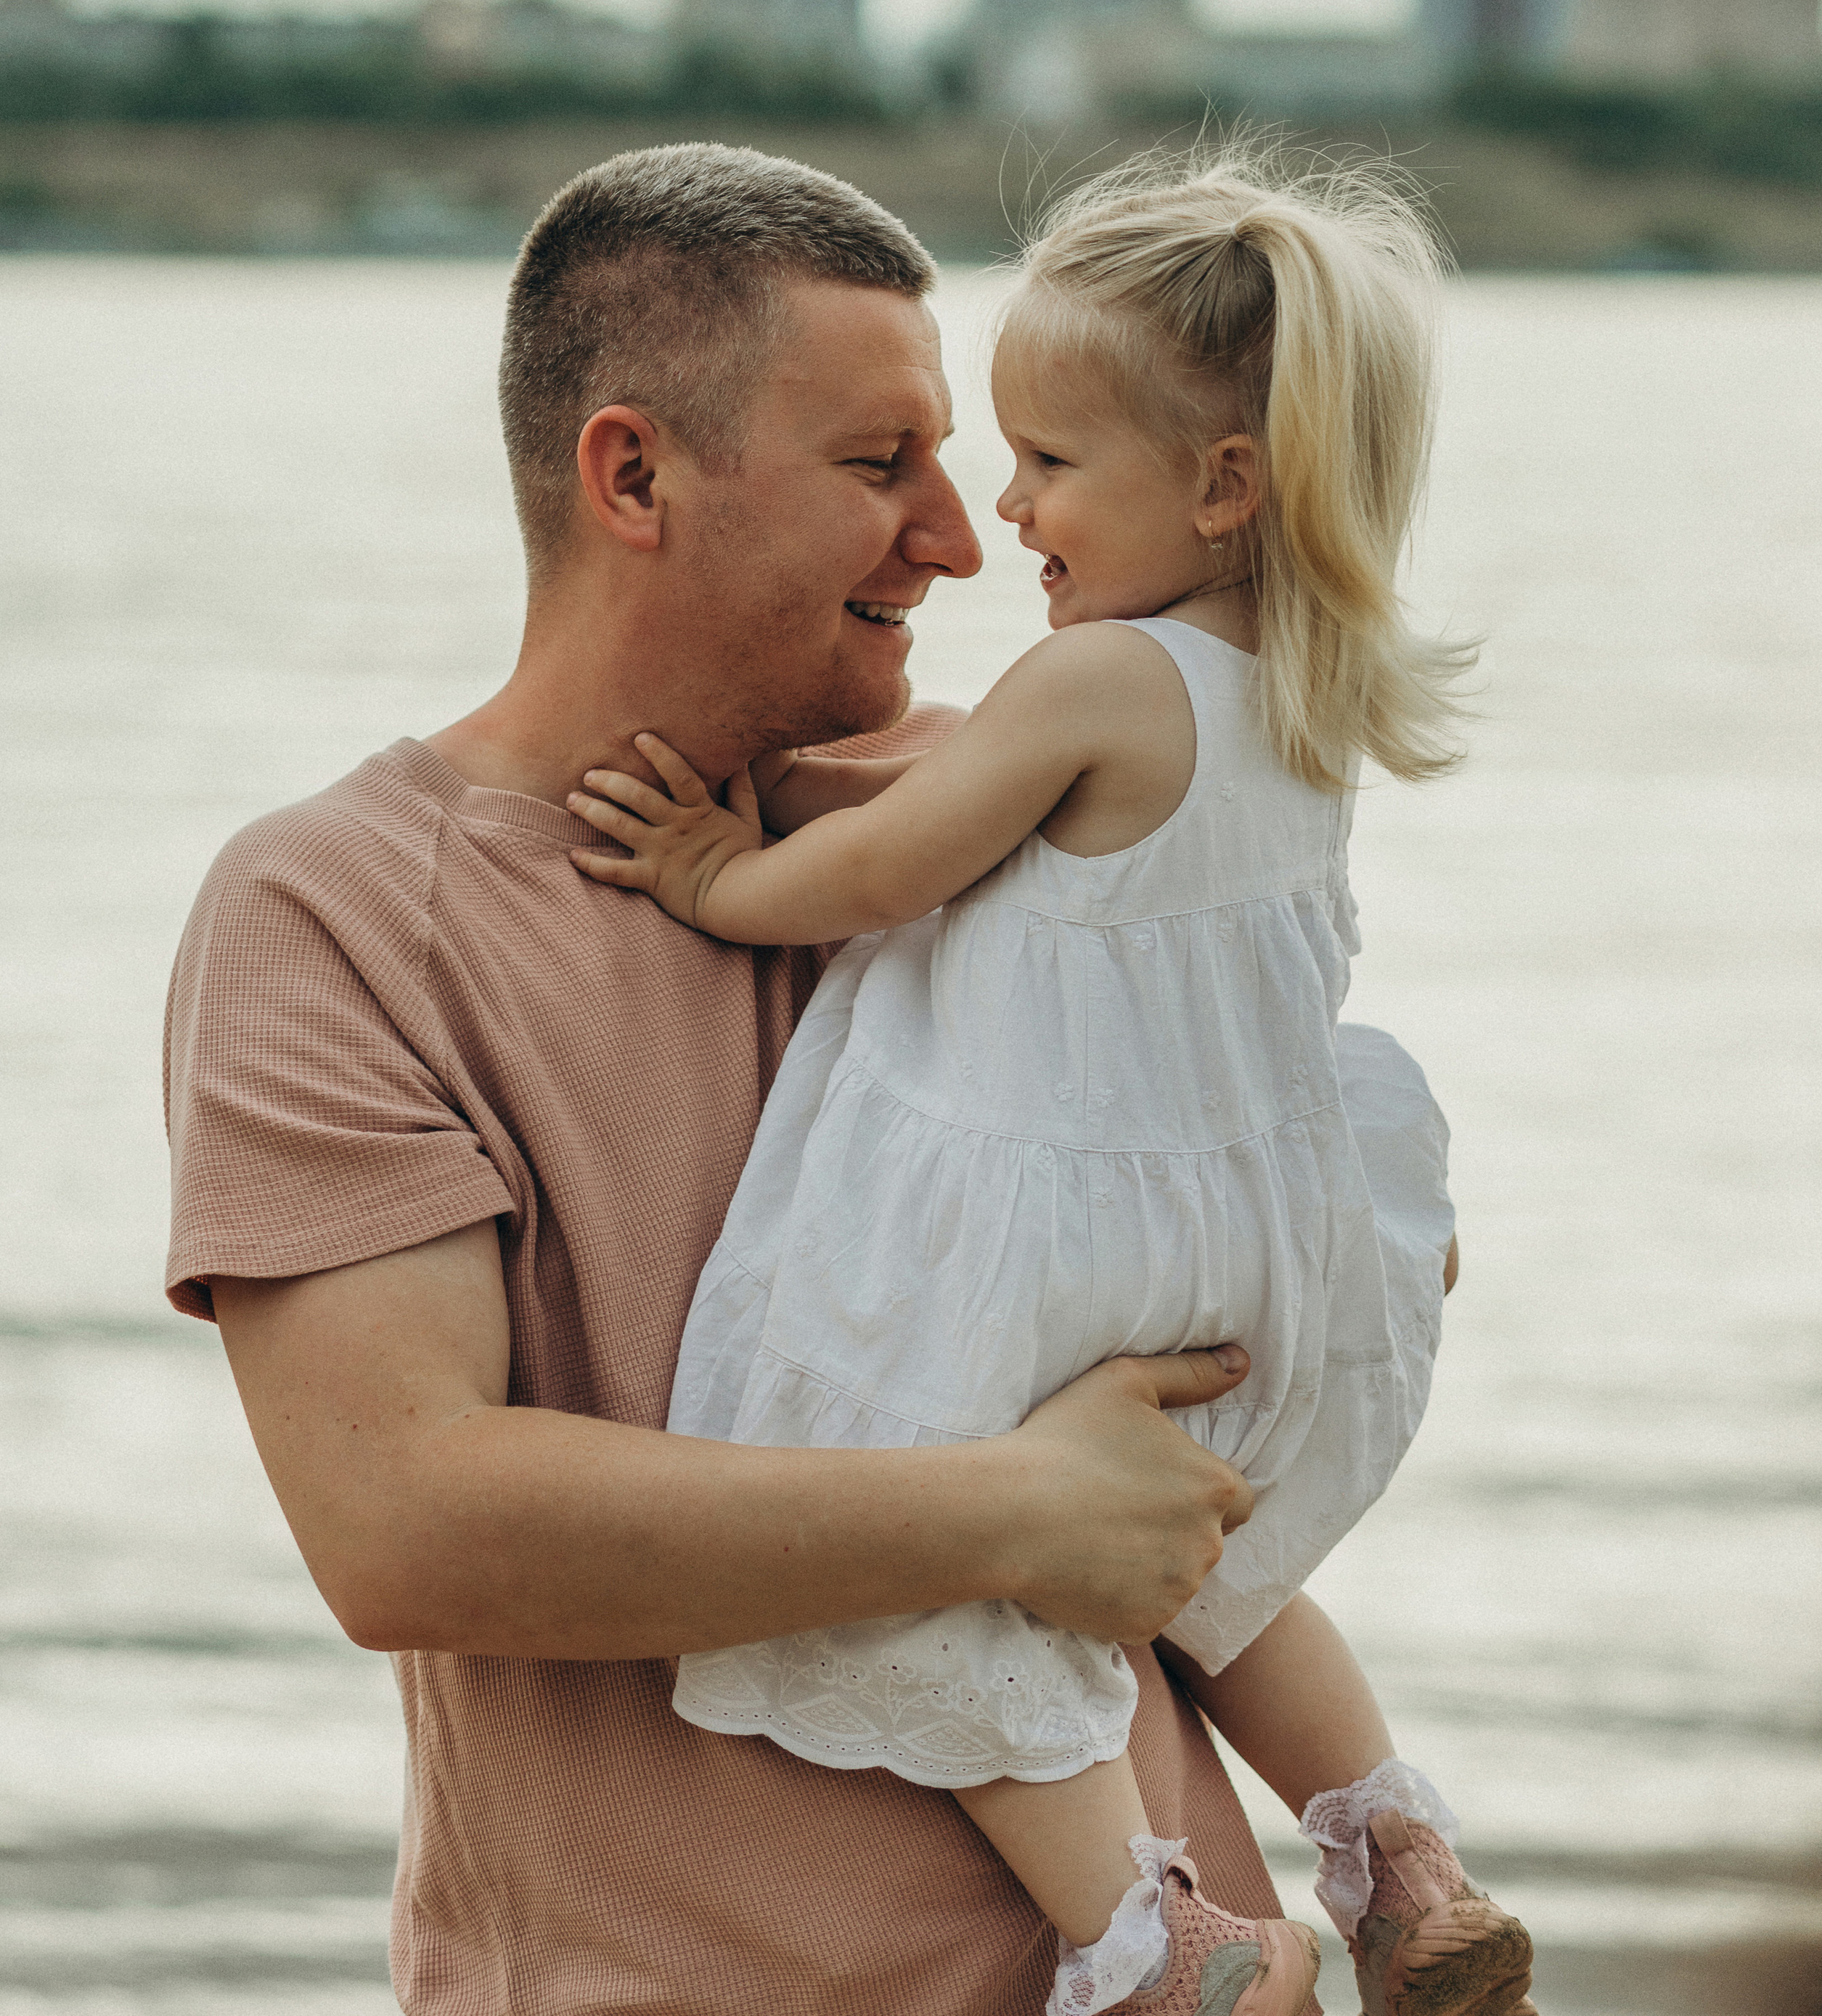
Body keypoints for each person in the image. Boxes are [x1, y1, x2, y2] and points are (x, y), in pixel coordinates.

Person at [165, 144, 1318, 2016]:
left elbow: (1292, 1232)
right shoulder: (339, 914)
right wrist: (1016, 1514)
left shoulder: (1023, 808)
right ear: (634, 474)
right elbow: (406, 1522)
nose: (960, 538)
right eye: (882, 468)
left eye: (960, 463)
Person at [563, 157, 1537, 2016]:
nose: (1001, 512)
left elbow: (879, 874)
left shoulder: (1096, 681)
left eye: (1047, 465)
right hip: (1247, 1227)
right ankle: (1396, 1854)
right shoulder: (1301, 704)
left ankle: (1159, 1938)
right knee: (1208, 1571)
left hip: (1068, 1223)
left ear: (1220, 485)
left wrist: (707, 875)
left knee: (942, 1561)